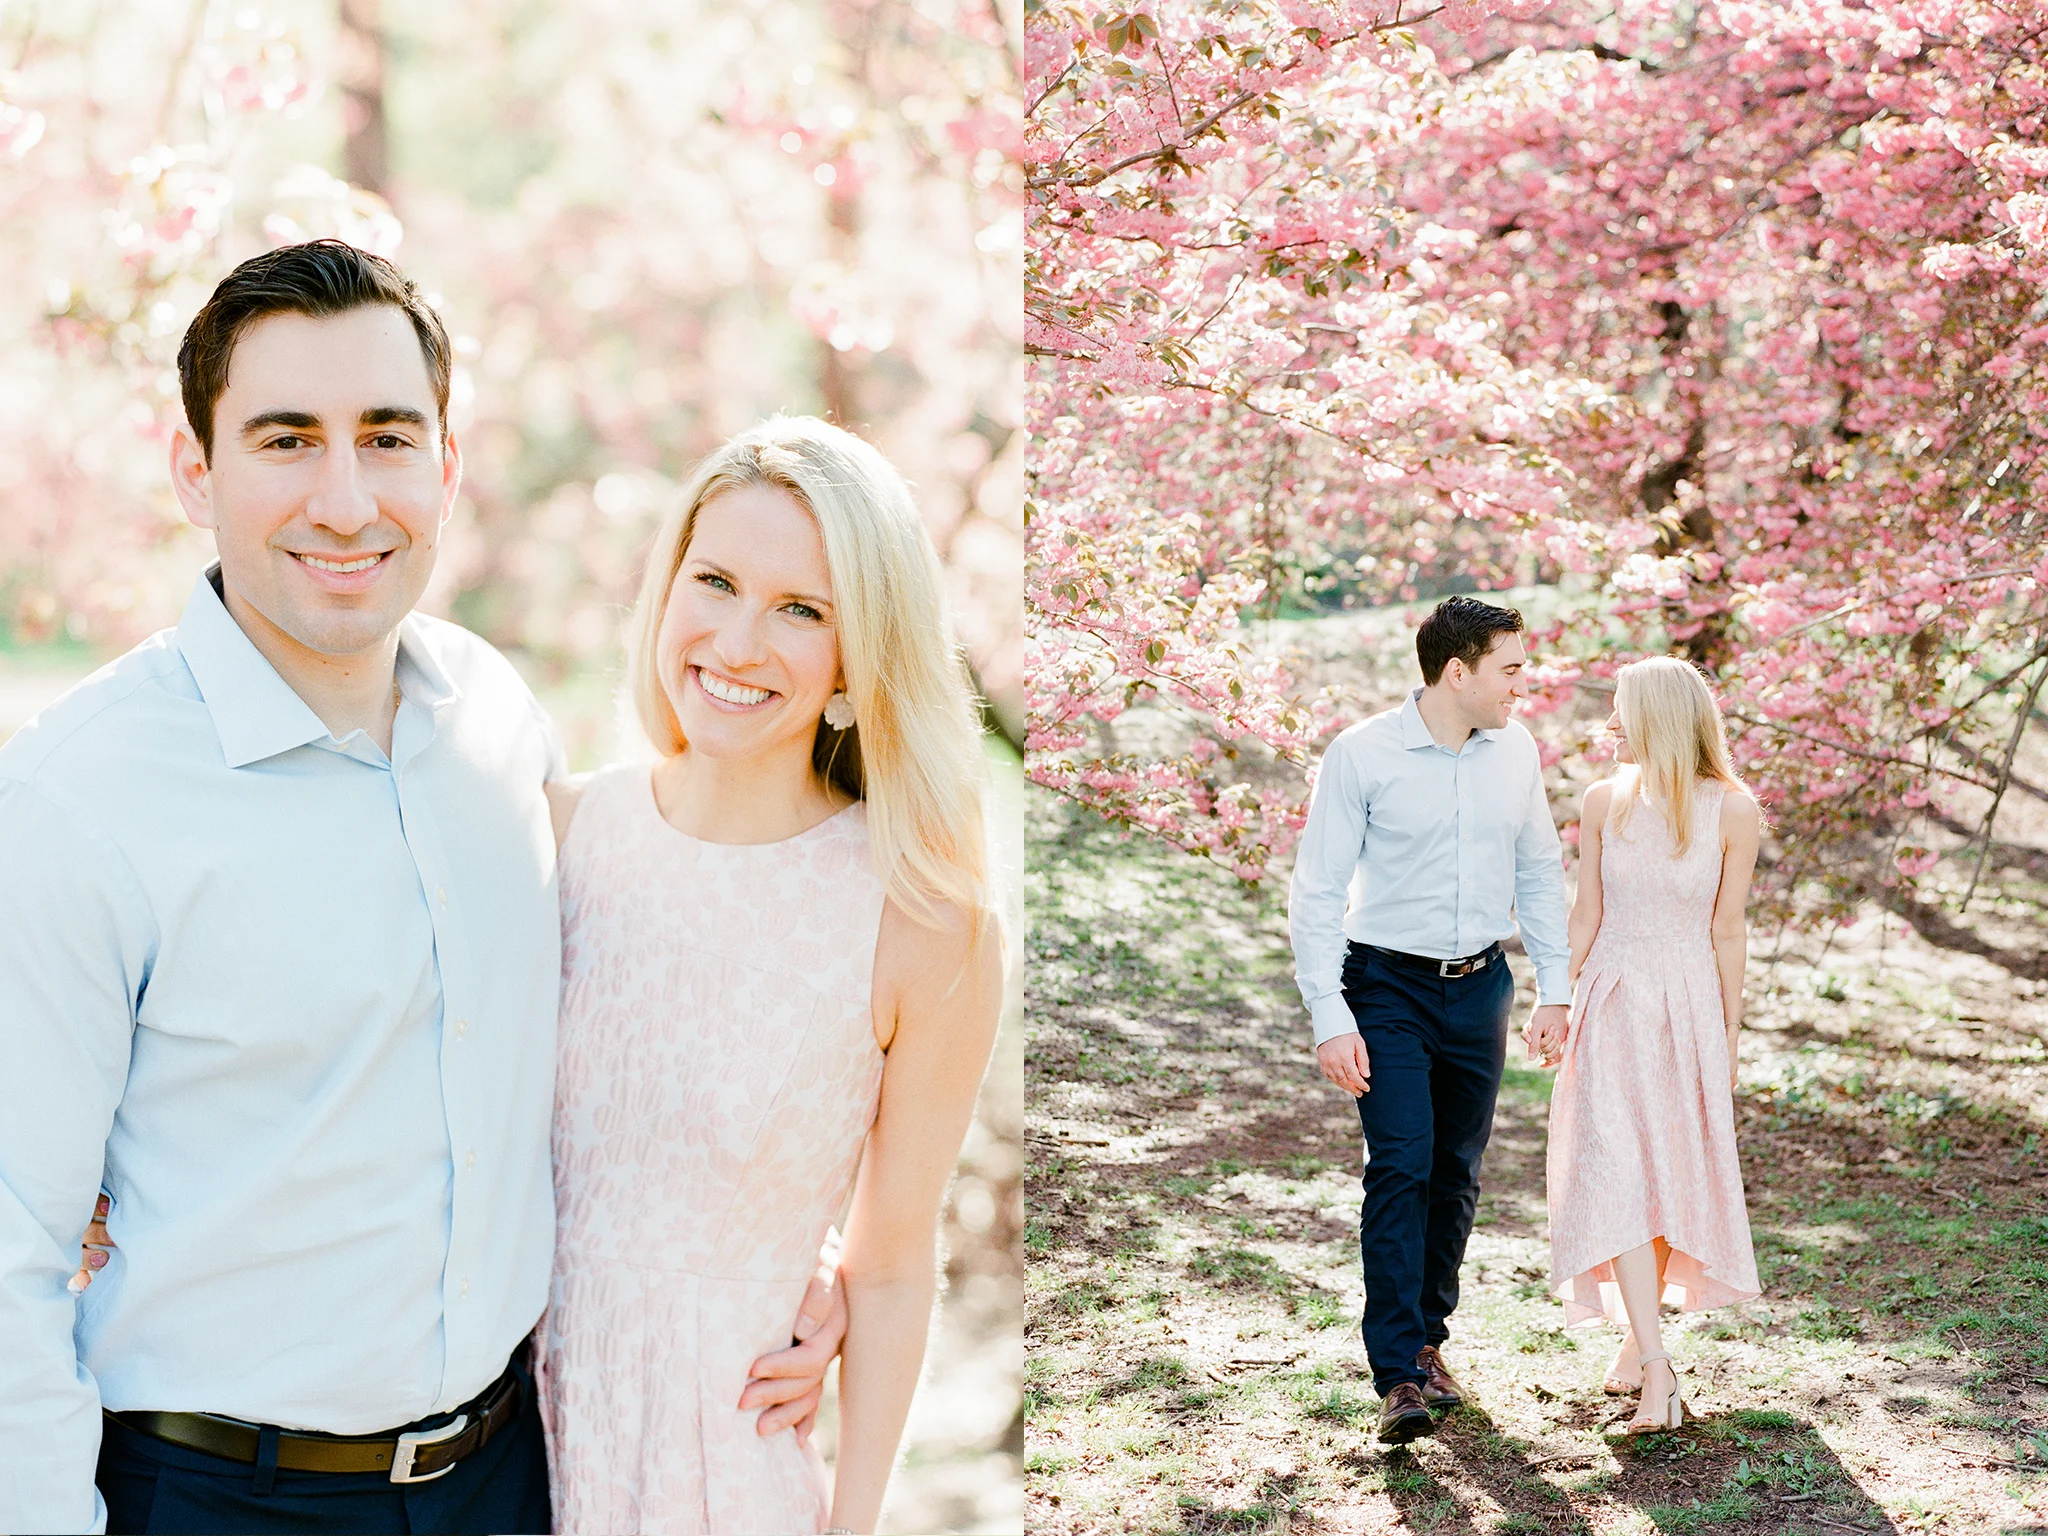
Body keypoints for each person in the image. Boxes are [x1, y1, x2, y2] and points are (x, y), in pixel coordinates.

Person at [0, 240, 832, 1536]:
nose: (345, 503)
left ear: (445, 468)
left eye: (387, 438)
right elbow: (12, 1257)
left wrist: (795, 1247)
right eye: (287, 440)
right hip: (221, 1496)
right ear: (194, 470)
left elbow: (634, 1036)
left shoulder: (495, 721)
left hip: (512, 1472)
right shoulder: (78, 801)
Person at [536, 416, 1003, 1535]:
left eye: (802, 609)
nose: (738, 642)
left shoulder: (923, 924)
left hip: (717, 1472)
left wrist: (852, 1526)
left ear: (857, 660)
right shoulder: (556, 835)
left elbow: (890, 1268)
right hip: (504, 1449)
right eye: (715, 582)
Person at [1288, 596, 1572, 1446]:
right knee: (1401, 1165)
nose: (1522, 686)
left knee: (1456, 1171)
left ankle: (1427, 1341)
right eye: (1510, 669)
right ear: (1458, 671)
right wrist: (1330, 1015)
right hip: (1385, 988)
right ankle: (1398, 1374)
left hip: (1481, 987)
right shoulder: (1362, 754)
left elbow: (1539, 869)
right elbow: (1316, 889)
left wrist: (1555, 988)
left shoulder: (1515, 750)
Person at [1529, 656, 1762, 1433]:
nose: (1608, 725)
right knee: (1618, 1168)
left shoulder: (1733, 810)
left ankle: (1638, 1340)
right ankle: (1659, 1368)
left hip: (1687, 1006)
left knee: (1665, 1169)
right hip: (1612, 1001)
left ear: (1660, 718)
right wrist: (1554, 999)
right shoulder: (1604, 801)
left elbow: (1727, 930)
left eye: (1621, 711)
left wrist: (1727, 1036)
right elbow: (1585, 915)